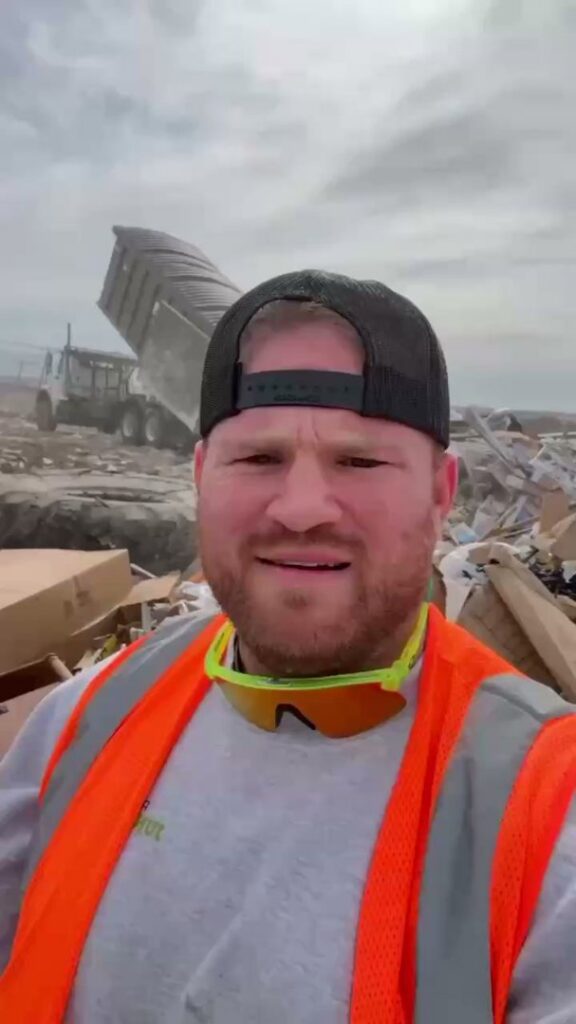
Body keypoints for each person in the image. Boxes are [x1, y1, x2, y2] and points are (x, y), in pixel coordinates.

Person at [1, 269, 576, 1024]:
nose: (302, 510)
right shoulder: (84, 721)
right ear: (202, 475)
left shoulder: (547, 811)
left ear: (442, 493)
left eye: (359, 461)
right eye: (258, 459)